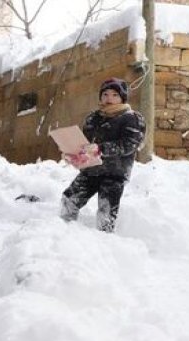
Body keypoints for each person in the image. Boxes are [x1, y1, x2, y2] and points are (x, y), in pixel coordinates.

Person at [60, 77, 146, 232]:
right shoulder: (93, 118)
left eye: (114, 95)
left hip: (114, 173)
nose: (109, 99)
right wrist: (73, 153)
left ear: (122, 97)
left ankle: (105, 244)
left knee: (106, 213)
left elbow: (130, 144)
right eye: (105, 94)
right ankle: (64, 233)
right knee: (69, 199)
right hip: (90, 170)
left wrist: (101, 149)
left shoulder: (131, 118)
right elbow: (85, 144)